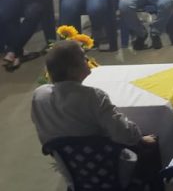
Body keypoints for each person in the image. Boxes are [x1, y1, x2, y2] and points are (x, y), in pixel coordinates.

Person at [31, 40, 163, 190]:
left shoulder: (39, 95)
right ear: (72, 70)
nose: (87, 60)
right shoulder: (93, 97)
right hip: (108, 169)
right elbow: (124, 133)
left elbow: (43, 136)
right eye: (83, 57)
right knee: (150, 145)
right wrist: (140, 138)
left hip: (72, 171)